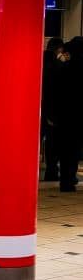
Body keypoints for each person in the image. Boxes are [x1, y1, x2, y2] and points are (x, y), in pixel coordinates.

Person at [52, 36, 83, 192]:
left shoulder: (64, 69)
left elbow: (56, 94)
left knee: (66, 149)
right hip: (79, 116)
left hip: (65, 116)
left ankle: (66, 180)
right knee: (75, 149)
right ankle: (70, 177)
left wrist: (54, 115)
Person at [41, 37, 64, 182]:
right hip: (51, 112)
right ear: (58, 49)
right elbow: (55, 92)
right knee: (52, 144)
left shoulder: (37, 62)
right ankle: (51, 171)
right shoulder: (57, 66)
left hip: (35, 110)